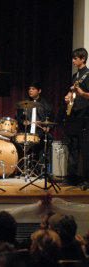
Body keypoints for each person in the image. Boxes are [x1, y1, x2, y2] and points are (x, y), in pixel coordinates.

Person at [63, 48, 89, 186]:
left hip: (85, 115)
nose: (73, 61)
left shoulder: (88, 75)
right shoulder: (75, 76)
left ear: (83, 59)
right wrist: (69, 97)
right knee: (73, 146)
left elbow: (86, 95)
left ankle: (85, 179)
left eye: (75, 58)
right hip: (74, 113)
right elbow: (73, 93)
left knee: (85, 148)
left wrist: (82, 93)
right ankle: (71, 177)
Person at [15, 82, 54, 164]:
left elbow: (52, 119)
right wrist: (23, 121)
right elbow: (18, 117)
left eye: (33, 89)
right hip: (27, 130)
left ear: (39, 91)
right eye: (29, 89)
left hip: (39, 130)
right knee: (16, 139)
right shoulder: (24, 103)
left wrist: (48, 127)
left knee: (45, 140)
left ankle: (40, 167)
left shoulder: (46, 104)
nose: (30, 91)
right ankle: (22, 166)